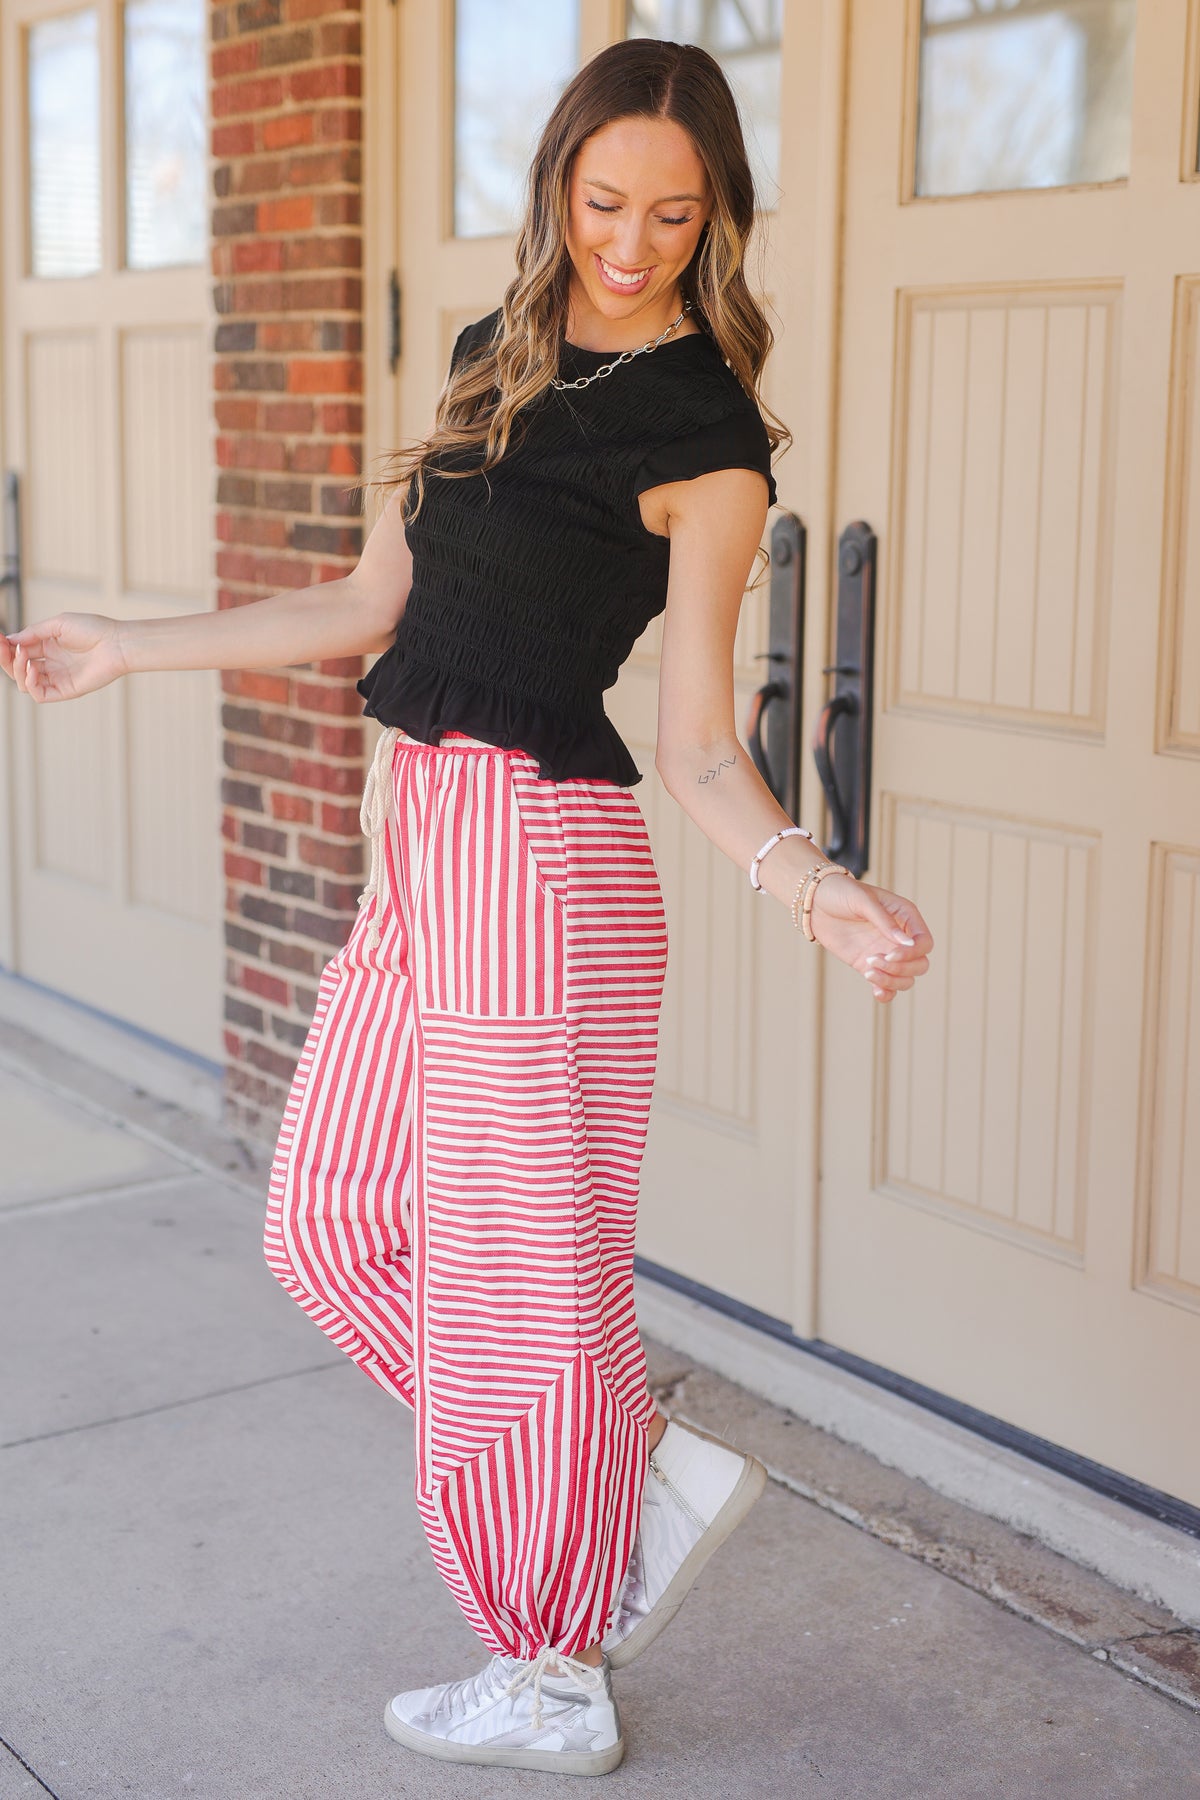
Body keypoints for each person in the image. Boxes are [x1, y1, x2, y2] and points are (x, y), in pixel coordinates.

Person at [1, 36, 933, 1779]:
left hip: (538, 861)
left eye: (675, 212)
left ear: (720, 213)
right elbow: (368, 605)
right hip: (421, 848)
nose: (635, 242)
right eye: (604, 203)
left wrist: (814, 887)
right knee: (330, 1226)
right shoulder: (487, 357)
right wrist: (130, 643)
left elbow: (695, 742)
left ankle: (553, 1660)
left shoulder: (711, 440)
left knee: (520, 1290)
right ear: (556, 183)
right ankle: (617, 1476)